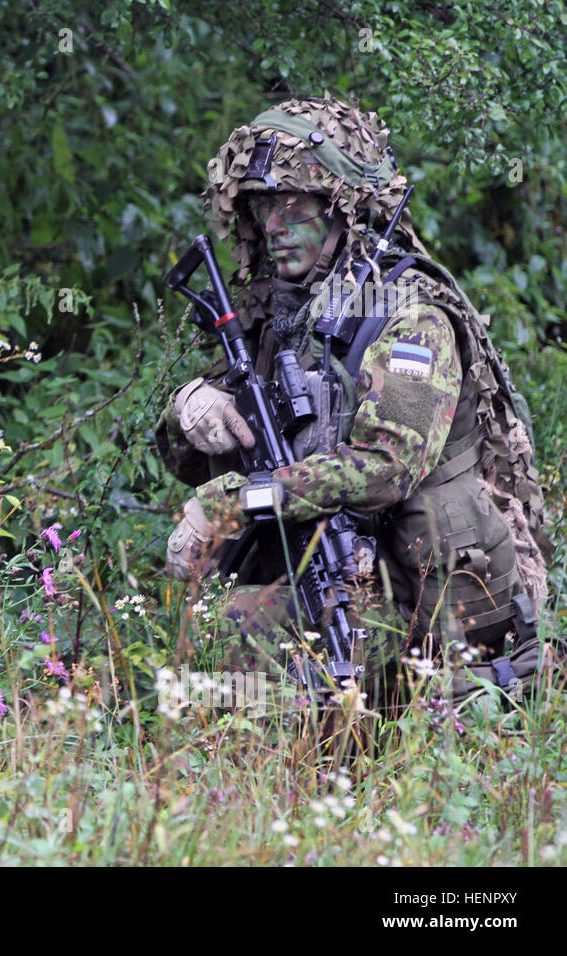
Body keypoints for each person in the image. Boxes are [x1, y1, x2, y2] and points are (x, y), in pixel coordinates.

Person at [156, 97, 553, 704]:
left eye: (295, 207)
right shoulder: (285, 314)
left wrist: (231, 503)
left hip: (437, 602)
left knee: (248, 641)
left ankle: (314, 772)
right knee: (225, 641)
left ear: (343, 211)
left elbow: (388, 465)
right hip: (342, 568)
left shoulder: (408, 315)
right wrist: (191, 405)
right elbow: (194, 454)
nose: (276, 227)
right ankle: (285, 777)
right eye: (264, 209)